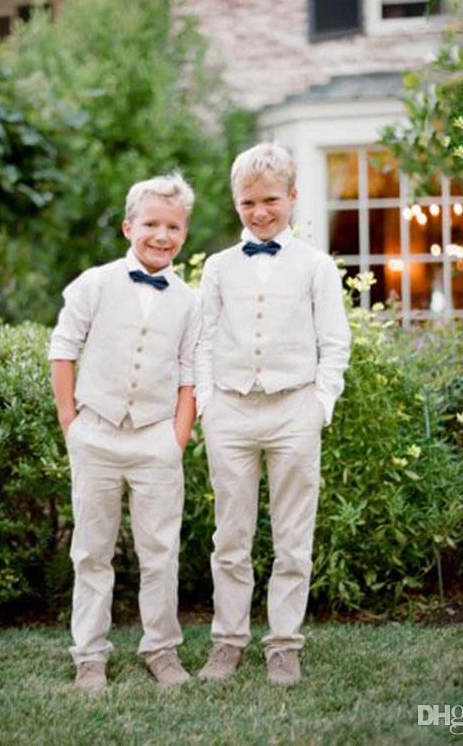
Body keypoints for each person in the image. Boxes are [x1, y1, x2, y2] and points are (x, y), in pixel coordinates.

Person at [195, 143, 351, 685]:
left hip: (294, 411)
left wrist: (319, 406)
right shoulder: (217, 268)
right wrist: (208, 406)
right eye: (247, 202)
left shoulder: (316, 266)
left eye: (270, 200)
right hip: (231, 412)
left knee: (292, 536)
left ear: (292, 197)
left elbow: (335, 343)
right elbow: (204, 339)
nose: (259, 212)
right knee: (230, 537)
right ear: (235, 203)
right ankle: (227, 641)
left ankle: (284, 643)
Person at [48, 173, 199, 691]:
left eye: (173, 226)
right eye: (151, 224)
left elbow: (189, 374)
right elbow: (63, 349)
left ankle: (161, 649)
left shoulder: (189, 301)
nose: (161, 235)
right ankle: (89, 653)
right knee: (92, 550)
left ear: (184, 234)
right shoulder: (94, 282)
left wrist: (176, 437)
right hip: (96, 434)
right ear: (127, 227)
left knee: (160, 550)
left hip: (156, 439)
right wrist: (72, 423)